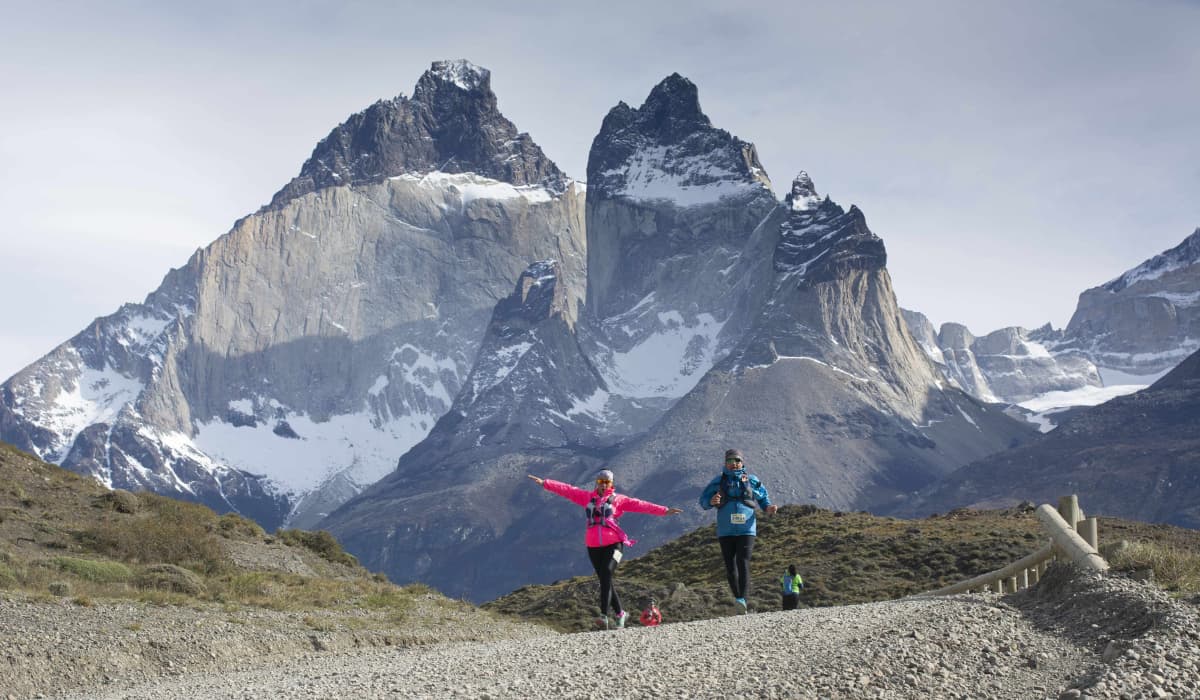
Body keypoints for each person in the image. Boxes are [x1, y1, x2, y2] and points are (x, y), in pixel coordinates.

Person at [528, 469, 681, 630]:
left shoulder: (619, 500)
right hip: (593, 546)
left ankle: (603, 615)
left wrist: (664, 510)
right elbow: (568, 490)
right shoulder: (587, 498)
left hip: (614, 544)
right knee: (605, 580)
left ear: (611, 484)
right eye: (601, 481)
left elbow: (641, 505)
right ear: (597, 483)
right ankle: (621, 614)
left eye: (607, 482)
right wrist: (545, 483)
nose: (603, 485)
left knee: (607, 573)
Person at [699, 448, 777, 614]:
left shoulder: (752, 480)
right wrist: (711, 501)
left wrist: (769, 508)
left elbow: (763, 499)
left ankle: (743, 599)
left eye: (737, 460)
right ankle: (738, 599)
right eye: (730, 461)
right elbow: (703, 501)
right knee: (730, 566)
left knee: (743, 561)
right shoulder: (718, 482)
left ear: (742, 462)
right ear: (725, 463)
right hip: (725, 530)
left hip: (747, 529)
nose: (734, 464)